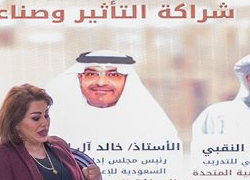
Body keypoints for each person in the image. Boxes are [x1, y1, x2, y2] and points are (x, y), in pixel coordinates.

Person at [44, 50, 179, 146]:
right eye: (92, 74)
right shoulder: (55, 123)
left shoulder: (151, 125)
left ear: (127, 81)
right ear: (80, 78)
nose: (101, 82)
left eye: (113, 75)